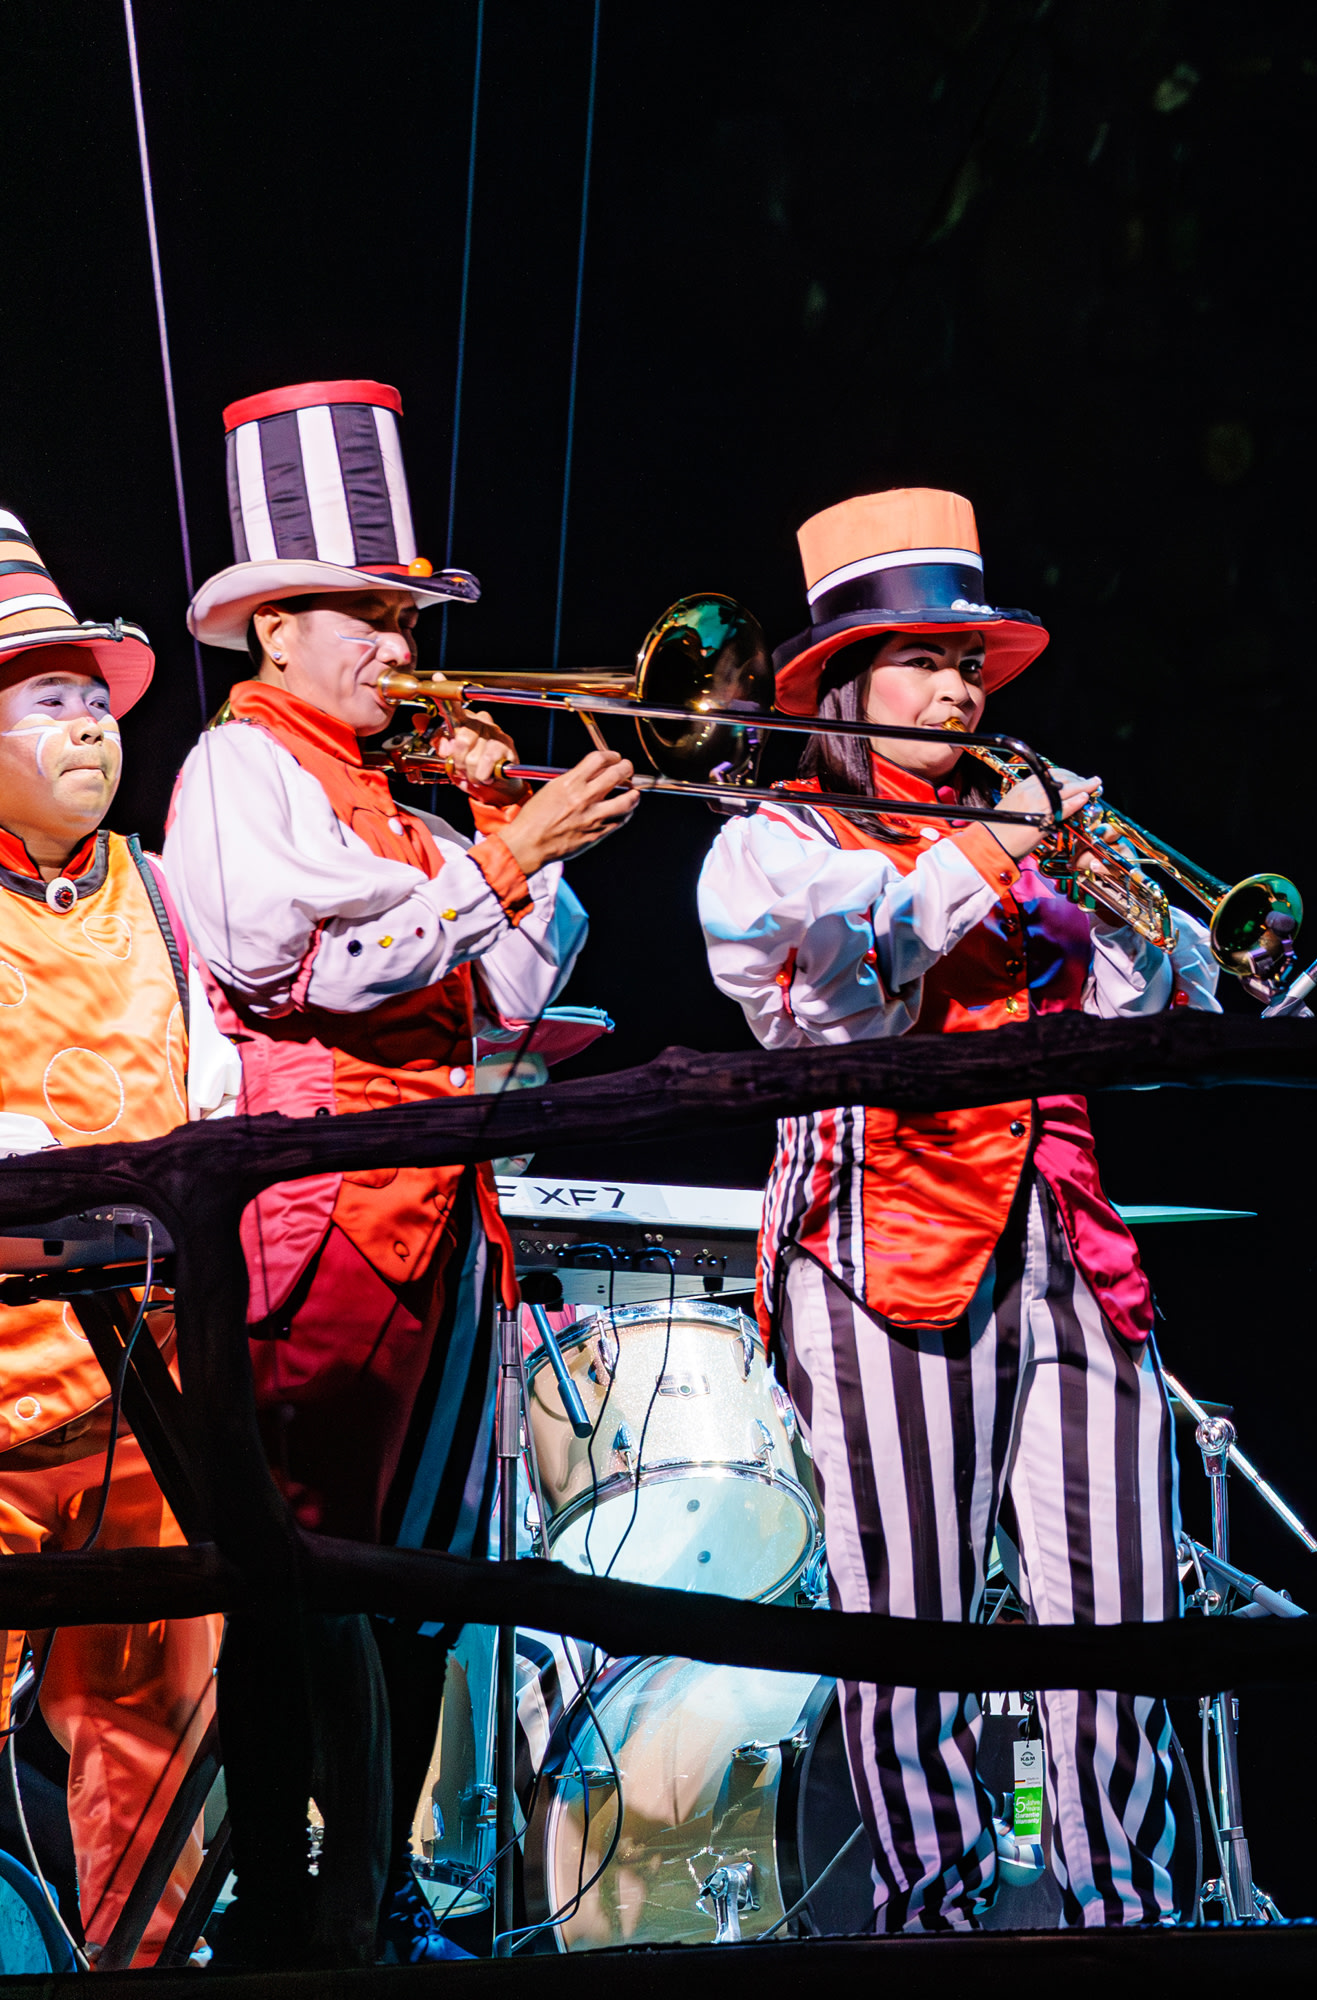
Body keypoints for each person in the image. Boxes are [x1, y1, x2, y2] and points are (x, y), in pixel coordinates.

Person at [158, 380, 636, 1957]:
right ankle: (286, 1897)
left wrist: (505, 823)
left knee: (421, 1567)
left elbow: (518, 994)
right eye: (367, 615)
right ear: (274, 628)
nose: (399, 644)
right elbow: (300, 971)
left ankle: (372, 1894)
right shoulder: (240, 771)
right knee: (296, 1557)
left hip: (438, 1215)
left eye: (403, 614)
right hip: (317, 1213)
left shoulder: (403, 810)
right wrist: (502, 857)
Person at [697, 488, 1215, 1930]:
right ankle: (933, 1916)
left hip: (1072, 1242)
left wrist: (1118, 900)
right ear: (845, 687)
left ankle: (1127, 1912)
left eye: (968, 666)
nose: (956, 691)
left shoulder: (1019, 834)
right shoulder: (775, 837)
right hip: (886, 1242)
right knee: (911, 1613)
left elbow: (1150, 1012)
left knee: (1121, 1606)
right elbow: (841, 993)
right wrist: (996, 853)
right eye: (923, 662)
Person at [0, 509, 239, 1966]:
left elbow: (212, 1086)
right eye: (49, 699)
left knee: (151, 1732)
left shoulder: (154, 893)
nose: (90, 725)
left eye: (94, 698)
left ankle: (147, 1970)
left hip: (142, 1385)